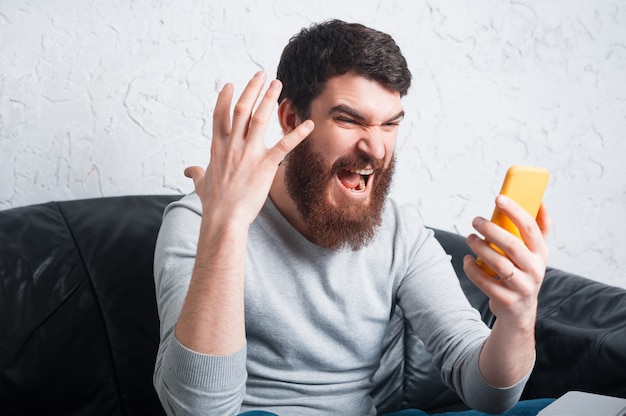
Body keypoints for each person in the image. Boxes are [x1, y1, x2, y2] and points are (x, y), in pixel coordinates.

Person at [152, 20, 553, 416]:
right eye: (349, 119)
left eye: (390, 124)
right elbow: (197, 411)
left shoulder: (400, 232)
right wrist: (227, 229)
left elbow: (489, 396)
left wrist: (518, 318)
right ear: (291, 119)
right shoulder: (199, 221)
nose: (377, 149)